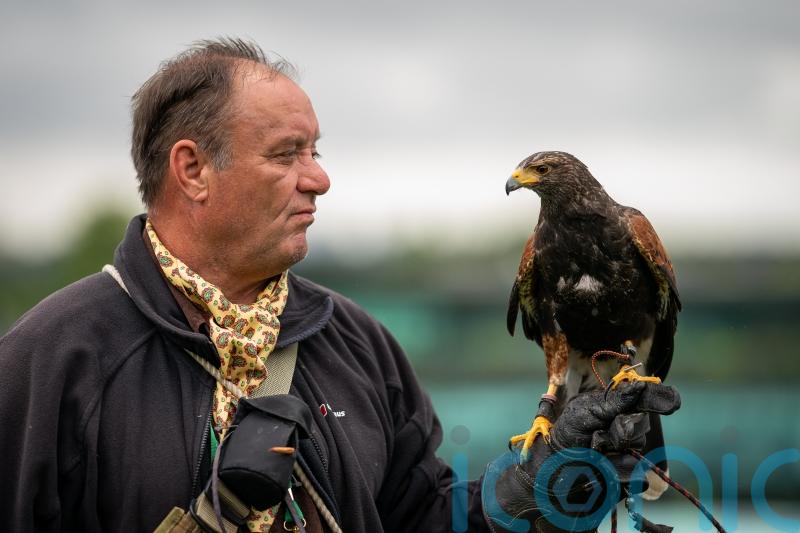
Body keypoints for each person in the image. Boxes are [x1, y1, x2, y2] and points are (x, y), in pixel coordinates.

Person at [0, 38, 680, 533]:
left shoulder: (358, 346)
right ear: (193, 169)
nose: (318, 177)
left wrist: (554, 485)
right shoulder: (55, 359)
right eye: (287, 153)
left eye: (315, 151)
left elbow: (428, 520)